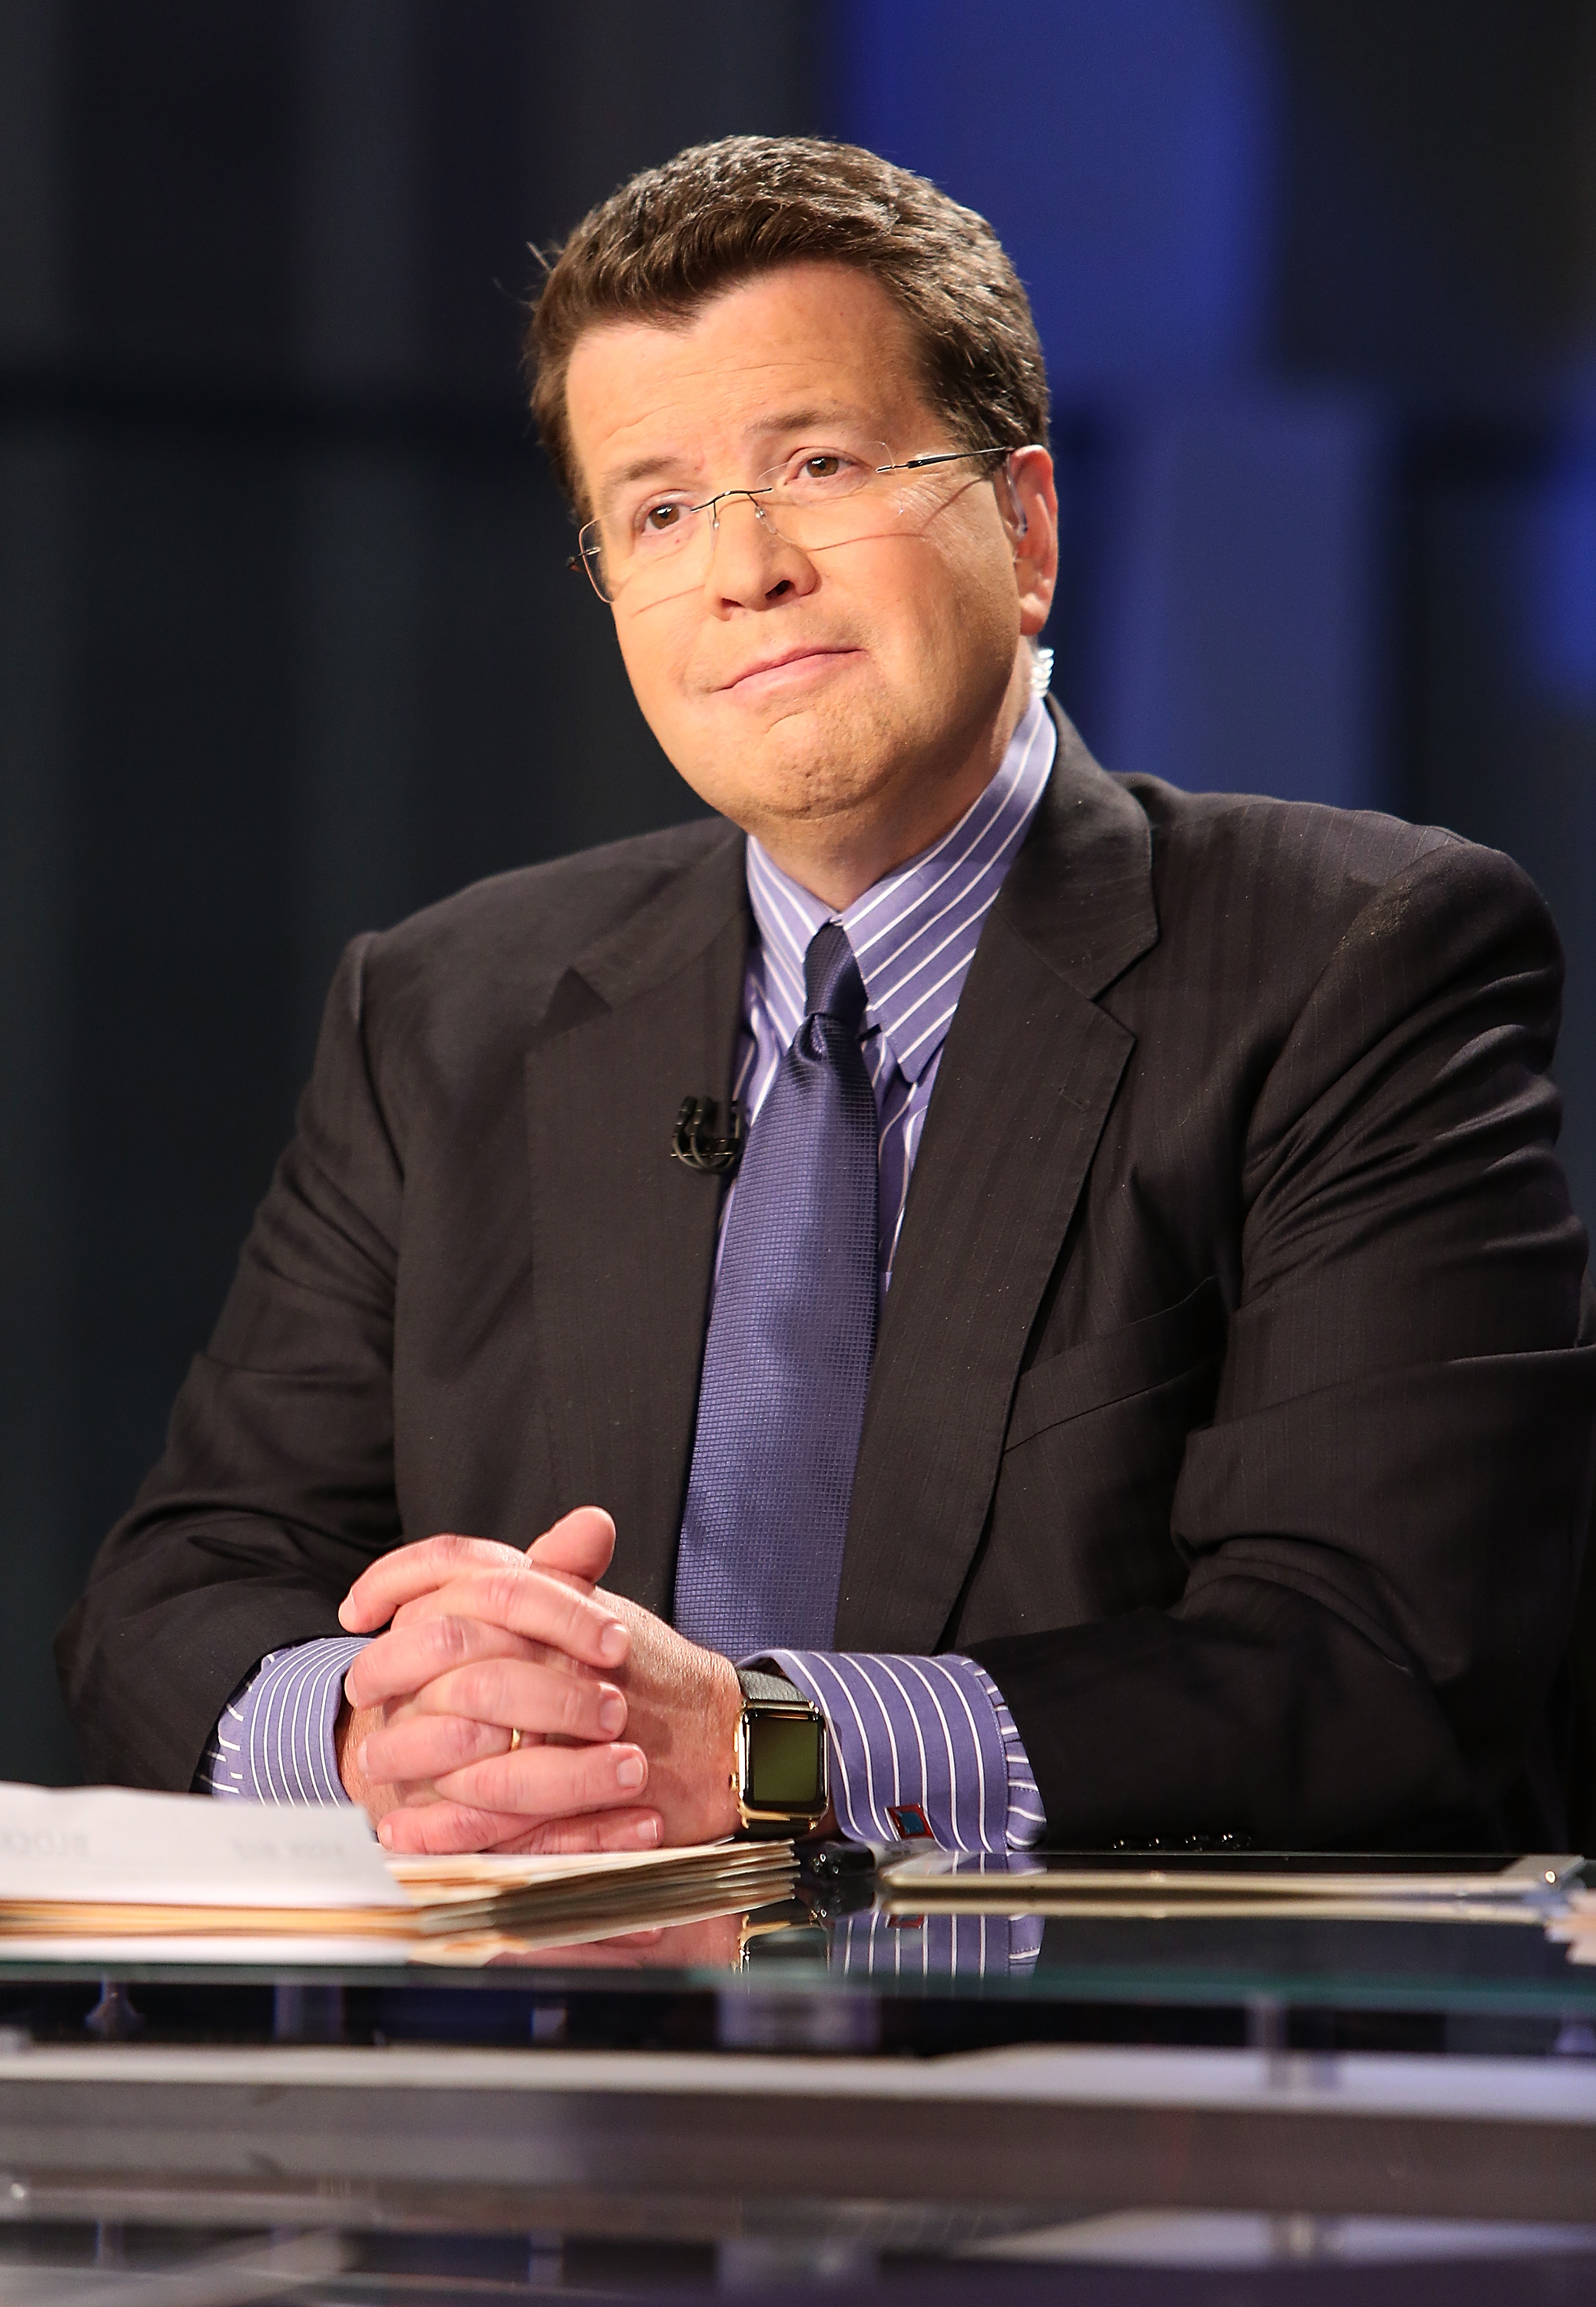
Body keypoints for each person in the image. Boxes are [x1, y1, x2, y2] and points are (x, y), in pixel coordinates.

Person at [58, 135, 1596, 1858]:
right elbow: (168, 1600)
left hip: (1093, 2090)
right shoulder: (441, 1011)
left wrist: (764, 1745)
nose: (745, 567)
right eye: (657, 508)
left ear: (1024, 531)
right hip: (527, 2080)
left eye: (821, 462)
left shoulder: (1355, 960)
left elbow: (1379, 1662)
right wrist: (372, 1724)